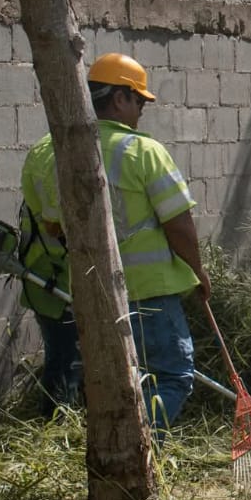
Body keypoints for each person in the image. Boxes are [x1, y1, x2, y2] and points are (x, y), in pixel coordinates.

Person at [33, 52, 213, 431]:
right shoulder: (144, 151)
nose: (142, 109)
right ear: (119, 98)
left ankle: (111, 450)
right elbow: (179, 224)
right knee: (172, 377)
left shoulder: (49, 152)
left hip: (89, 293)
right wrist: (198, 272)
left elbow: (52, 227)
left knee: (108, 384)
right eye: (138, 100)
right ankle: (138, 449)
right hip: (149, 294)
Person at [18, 133, 81, 417]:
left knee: (68, 357)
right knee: (65, 358)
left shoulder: (47, 146)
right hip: (54, 277)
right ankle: (56, 422)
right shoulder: (60, 156)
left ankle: (68, 417)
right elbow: (56, 225)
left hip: (52, 273)